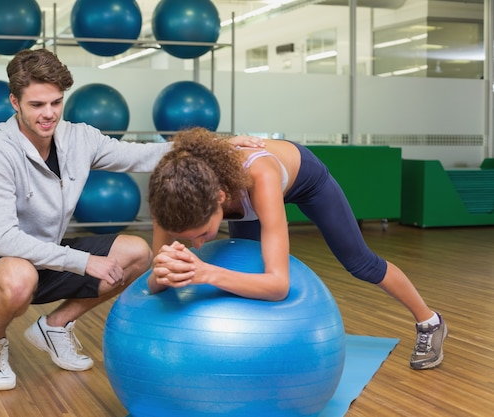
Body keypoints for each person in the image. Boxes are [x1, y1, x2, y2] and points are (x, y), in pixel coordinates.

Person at [0, 49, 263, 391]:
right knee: (18, 276)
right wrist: (85, 262)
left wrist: (215, 146)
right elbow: (4, 241)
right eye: (37, 105)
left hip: (47, 253)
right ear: (15, 101)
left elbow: (142, 154)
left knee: (136, 252)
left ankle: (55, 326)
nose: (49, 114)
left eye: (56, 103)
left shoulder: (79, 138)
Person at [147, 127, 448, 370]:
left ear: (220, 198)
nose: (199, 245)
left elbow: (279, 285)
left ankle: (429, 321)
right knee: (245, 272)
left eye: (202, 233)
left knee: (360, 262)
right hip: (240, 193)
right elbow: (153, 280)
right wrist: (163, 272)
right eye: (187, 238)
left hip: (305, 179)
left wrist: (205, 273)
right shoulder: (170, 202)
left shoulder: (261, 177)